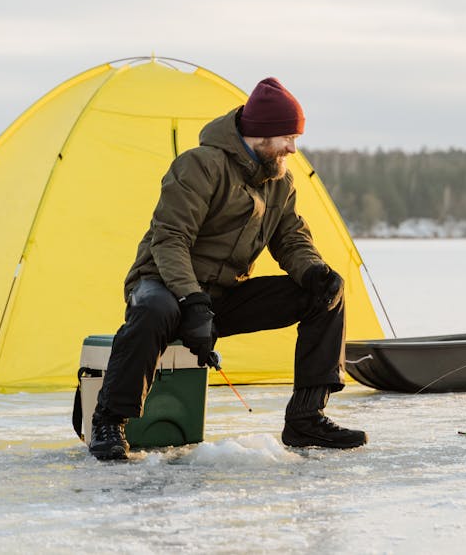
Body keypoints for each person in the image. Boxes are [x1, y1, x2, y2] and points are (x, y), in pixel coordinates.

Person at [88, 77, 366, 461]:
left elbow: (291, 239)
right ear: (261, 134)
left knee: (325, 294)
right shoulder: (200, 166)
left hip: (221, 296)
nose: (293, 148)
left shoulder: (280, 181)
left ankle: (306, 418)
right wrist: (192, 300)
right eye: (287, 137)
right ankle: (108, 421)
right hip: (163, 284)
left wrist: (314, 271)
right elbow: (170, 240)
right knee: (155, 310)